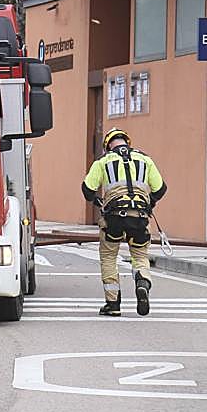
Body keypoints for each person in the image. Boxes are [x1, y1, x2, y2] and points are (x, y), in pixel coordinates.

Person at [81, 128, 167, 317]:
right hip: (140, 217)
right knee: (140, 255)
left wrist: (97, 201)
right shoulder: (145, 160)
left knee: (109, 257)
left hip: (113, 219)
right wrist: (149, 202)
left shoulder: (103, 162)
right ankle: (142, 282)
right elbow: (161, 188)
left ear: (108, 145)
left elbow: (87, 189)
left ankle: (113, 304)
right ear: (126, 142)